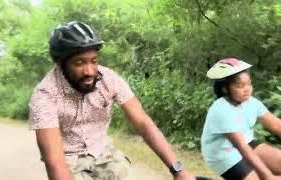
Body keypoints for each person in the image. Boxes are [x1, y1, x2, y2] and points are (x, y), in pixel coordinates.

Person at [29, 21, 195, 180]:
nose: (89, 71)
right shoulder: (45, 95)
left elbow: (143, 123)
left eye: (93, 61)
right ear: (60, 64)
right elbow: (55, 162)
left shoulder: (109, 79)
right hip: (68, 160)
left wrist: (178, 170)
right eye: (79, 63)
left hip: (103, 153)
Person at [201, 58, 281, 180]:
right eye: (240, 85)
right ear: (225, 89)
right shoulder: (221, 109)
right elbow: (241, 147)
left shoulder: (251, 103)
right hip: (223, 153)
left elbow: (277, 126)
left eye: (249, 84)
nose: (247, 89)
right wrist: (268, 176)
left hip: (247, 142)